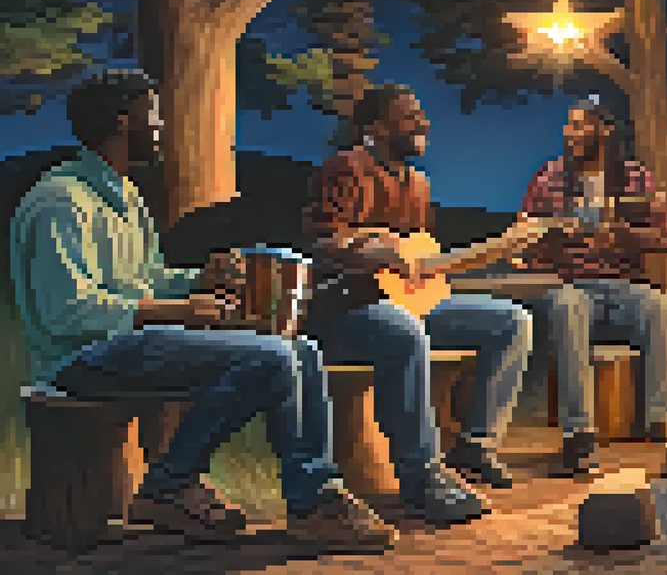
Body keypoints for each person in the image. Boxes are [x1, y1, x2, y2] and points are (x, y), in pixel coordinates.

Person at [9, 69, 392, 549]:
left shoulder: (125, 197)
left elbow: (144, 281)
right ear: (124, 120)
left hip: (127, 347)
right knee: (270, 357)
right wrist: (183, 312)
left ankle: (314, 496)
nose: (163, 126)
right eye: (155, 114)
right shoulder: (60, 202)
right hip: (76, 362)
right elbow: (67, 314)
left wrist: (198, 279)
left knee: (302, 349)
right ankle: (169, 485)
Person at [302, 83, 535, 523]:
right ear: (373, 128)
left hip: (407, 304)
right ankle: (421, 478)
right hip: (347, 310)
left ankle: (475, 445)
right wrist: (368, 252)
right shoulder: (344, 169)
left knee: (511, 321)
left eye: (420, 113)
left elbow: (421, 259)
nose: (423, 122)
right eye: (408, 116)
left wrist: (497, 250)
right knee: (403, 333)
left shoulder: (419, 185)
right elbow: (319, 243)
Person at [519, 97, 667, 476]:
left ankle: (663, 423)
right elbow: (523, 233)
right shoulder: (549, 176)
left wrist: (626, 236)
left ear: (605, 130)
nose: (571, 133)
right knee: (567, 307)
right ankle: (579, 433)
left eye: (581, 125)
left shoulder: (634, 177)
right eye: (570, 125)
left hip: (624, 287)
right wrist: (547, 237)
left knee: (660, 307)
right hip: (573, 284)